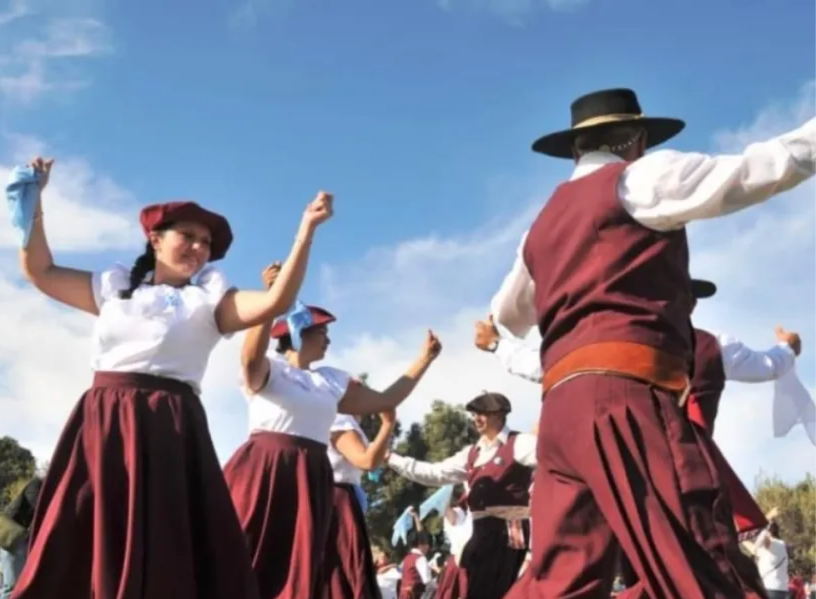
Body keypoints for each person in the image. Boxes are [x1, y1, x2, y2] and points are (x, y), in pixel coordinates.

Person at [492, 87, 816, 599]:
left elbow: (508, 314)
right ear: (637, 140)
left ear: (575, 149)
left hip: (560, 415)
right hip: (624, 399)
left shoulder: (541, 225)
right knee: (701, 561)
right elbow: (759, 170)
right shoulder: (639, 177)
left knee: (559, 579)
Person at [10, 157, 334, 599]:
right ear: (156, 240)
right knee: (89, 534)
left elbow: (278, 300)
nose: (199, 247)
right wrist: (34, 203)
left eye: (206, 242)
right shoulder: (116, 288)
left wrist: (306, 230)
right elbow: (41, 272)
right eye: (189, 236)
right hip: (104, 421)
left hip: (170, 426)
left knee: (168, 542)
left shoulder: (210, 302)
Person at [223, 262, 442, 599]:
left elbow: (386, 398)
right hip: (266, 468)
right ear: (298, 334)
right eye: (321, 332)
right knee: (247, 557)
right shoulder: (273, 369)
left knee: (301, 569)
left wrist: (424, 360)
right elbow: (250, 360)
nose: (328, 339)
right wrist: (271, 301)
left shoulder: (329, 381)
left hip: (311, 475)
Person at [386, 393, 535, 599]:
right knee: (477, 588)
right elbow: (434, 473)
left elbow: (555, 458)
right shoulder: (472, 453)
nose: (476, 418)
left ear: (500, 415)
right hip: (483, 530)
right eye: (475, 414)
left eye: (483, 413)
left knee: (498, 589)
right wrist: (391, 458)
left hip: (511, 530)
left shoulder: (520, 443)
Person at [322, 409, 397, 599]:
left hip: (342, 497)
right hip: (338, 500)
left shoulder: (345, 421)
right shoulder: (340, 419)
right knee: (341, 569)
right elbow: (367, 460)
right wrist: (387, 424)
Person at [0, 478, 41, 599]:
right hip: (11, 537)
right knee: (12, 586)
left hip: (14, 537)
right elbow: (37, 507)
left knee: (14, 584)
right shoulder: (37, 484)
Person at [754, 516, 789, 599]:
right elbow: (756, 550)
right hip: (780, 589)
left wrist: (764, 527)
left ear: (768, 532)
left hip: (770, 588)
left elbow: (759, 542)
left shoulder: (774, 544)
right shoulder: (780, 546)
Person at [399, 532, 432, 599]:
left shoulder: (407, 558)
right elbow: (427, 581)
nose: (428, 546)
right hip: (414, 595)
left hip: (403, 594)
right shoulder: (421, 559)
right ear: (420, 545)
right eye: (426, 544)